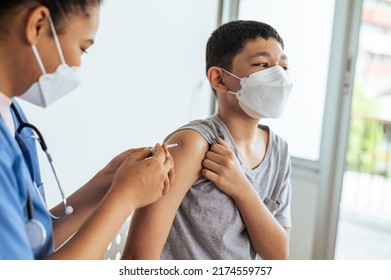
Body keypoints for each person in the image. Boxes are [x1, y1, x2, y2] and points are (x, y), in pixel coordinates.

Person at [0, 0, 174, 260]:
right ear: (37, 25)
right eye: (83, 48)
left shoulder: (12, 115)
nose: (77, 65)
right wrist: (124, 198)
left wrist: (105, 183)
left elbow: (27, 242)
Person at [122, 20, 293, 260]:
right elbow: (137, 260)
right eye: (263, 65)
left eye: (283, 67)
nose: (278, 78)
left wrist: (241, 188)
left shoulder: (279, 151)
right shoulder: (194, 144)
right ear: (219, 79)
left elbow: (278, 254)